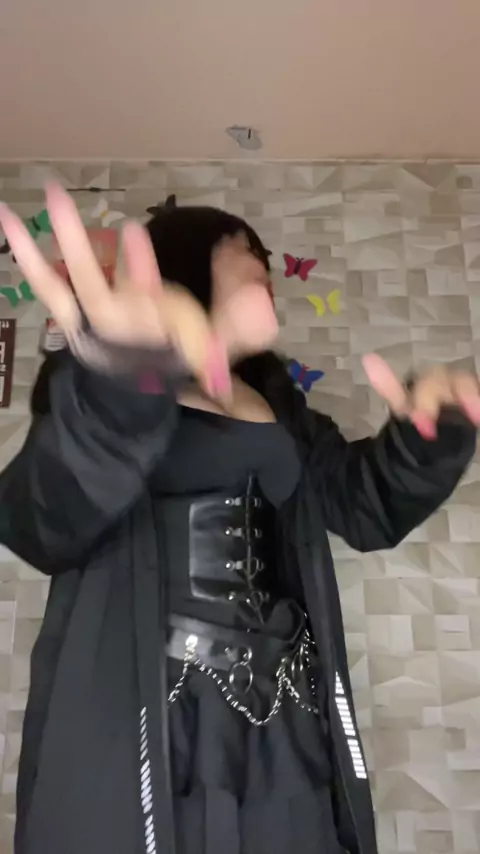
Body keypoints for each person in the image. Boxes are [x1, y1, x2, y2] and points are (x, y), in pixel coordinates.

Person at [0, 184, 478, 854]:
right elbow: (41, 522)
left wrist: (429, 443)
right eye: (247, 250)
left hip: (287, 718)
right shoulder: (108, 372)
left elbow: (361, 506)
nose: (267, 266)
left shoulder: (281, 405)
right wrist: (123, 374)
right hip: (150, 719)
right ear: (189, 260)